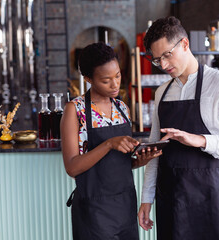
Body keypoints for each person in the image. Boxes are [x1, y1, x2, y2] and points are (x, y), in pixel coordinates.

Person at [137, 16, 219, 239]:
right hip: (170, 198)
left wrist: (201, 140)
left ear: (184, 44)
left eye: (166, 55)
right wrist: (146, 198)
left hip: (209, 198)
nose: (163, 65)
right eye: (156, 60)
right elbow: (156, 151)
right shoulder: (162, 92)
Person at [61, 42, 161, 240]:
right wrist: (108, 144)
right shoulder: (75, 110)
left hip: (125, 205)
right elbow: (72, 167)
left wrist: (138, 161)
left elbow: (115, 164)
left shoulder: (122, 108)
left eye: (117, 76)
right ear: (88, 79)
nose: (115, 84)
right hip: (94, 211)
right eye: (106, 80)